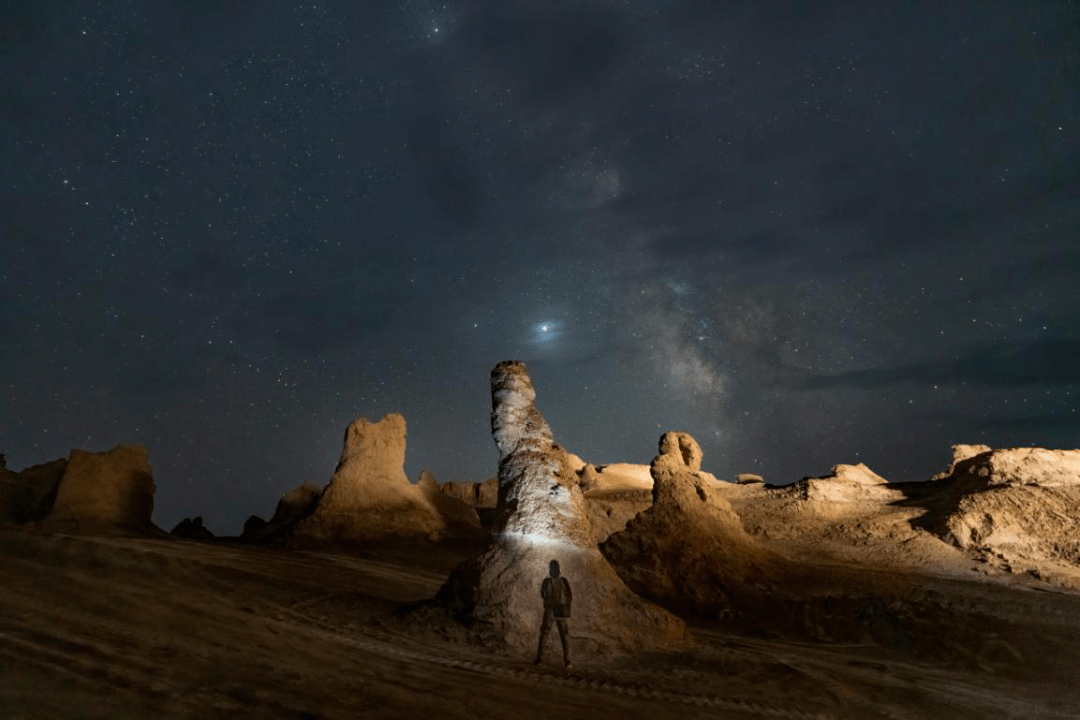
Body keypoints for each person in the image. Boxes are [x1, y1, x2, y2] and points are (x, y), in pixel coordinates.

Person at [534, 559, 573, 669]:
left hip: (550, 610)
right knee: (564, 636)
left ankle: (540, 659)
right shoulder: (564, 581)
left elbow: (543, 594)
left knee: (545, 634)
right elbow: (570, 596)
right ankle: (568, 661)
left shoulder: (547, 581)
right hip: (559, 610)